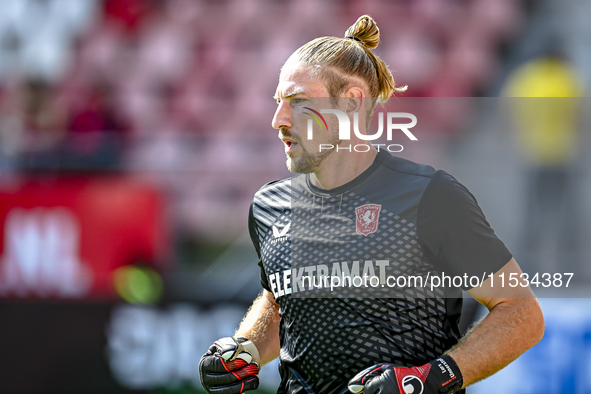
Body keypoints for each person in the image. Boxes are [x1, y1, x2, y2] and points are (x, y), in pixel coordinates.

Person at [199, 15, 544, 394]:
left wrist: (429, 379)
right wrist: (244, 348)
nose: (277, 120)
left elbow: (522, 313)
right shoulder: (269, 205)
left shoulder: (430, 195)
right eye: (279, 102)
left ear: (351, 102)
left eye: (297, 102)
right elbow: (279, 306)